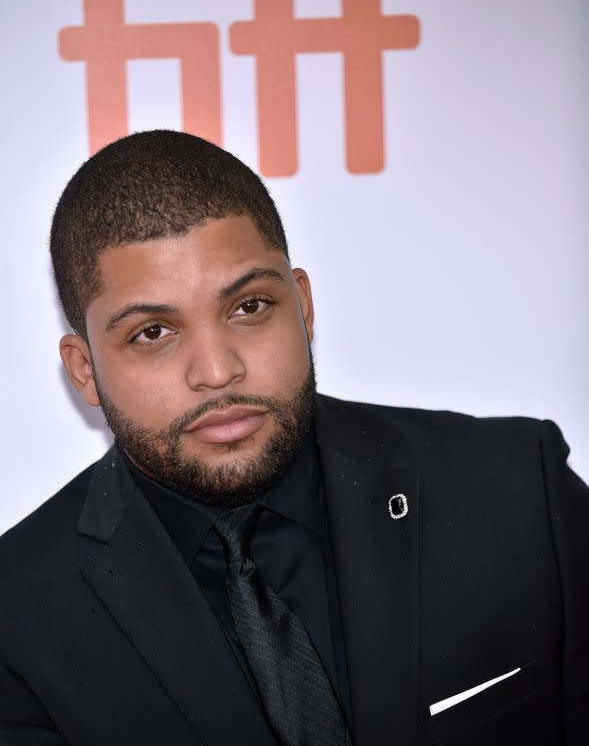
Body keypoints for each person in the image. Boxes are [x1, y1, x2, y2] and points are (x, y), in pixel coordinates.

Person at [0, 130, 587, 746]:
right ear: (84, 369)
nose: (217, 370)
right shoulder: (18, 619)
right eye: (153, 333)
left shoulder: (518, 493)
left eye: (249, 306)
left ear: (302, 306)